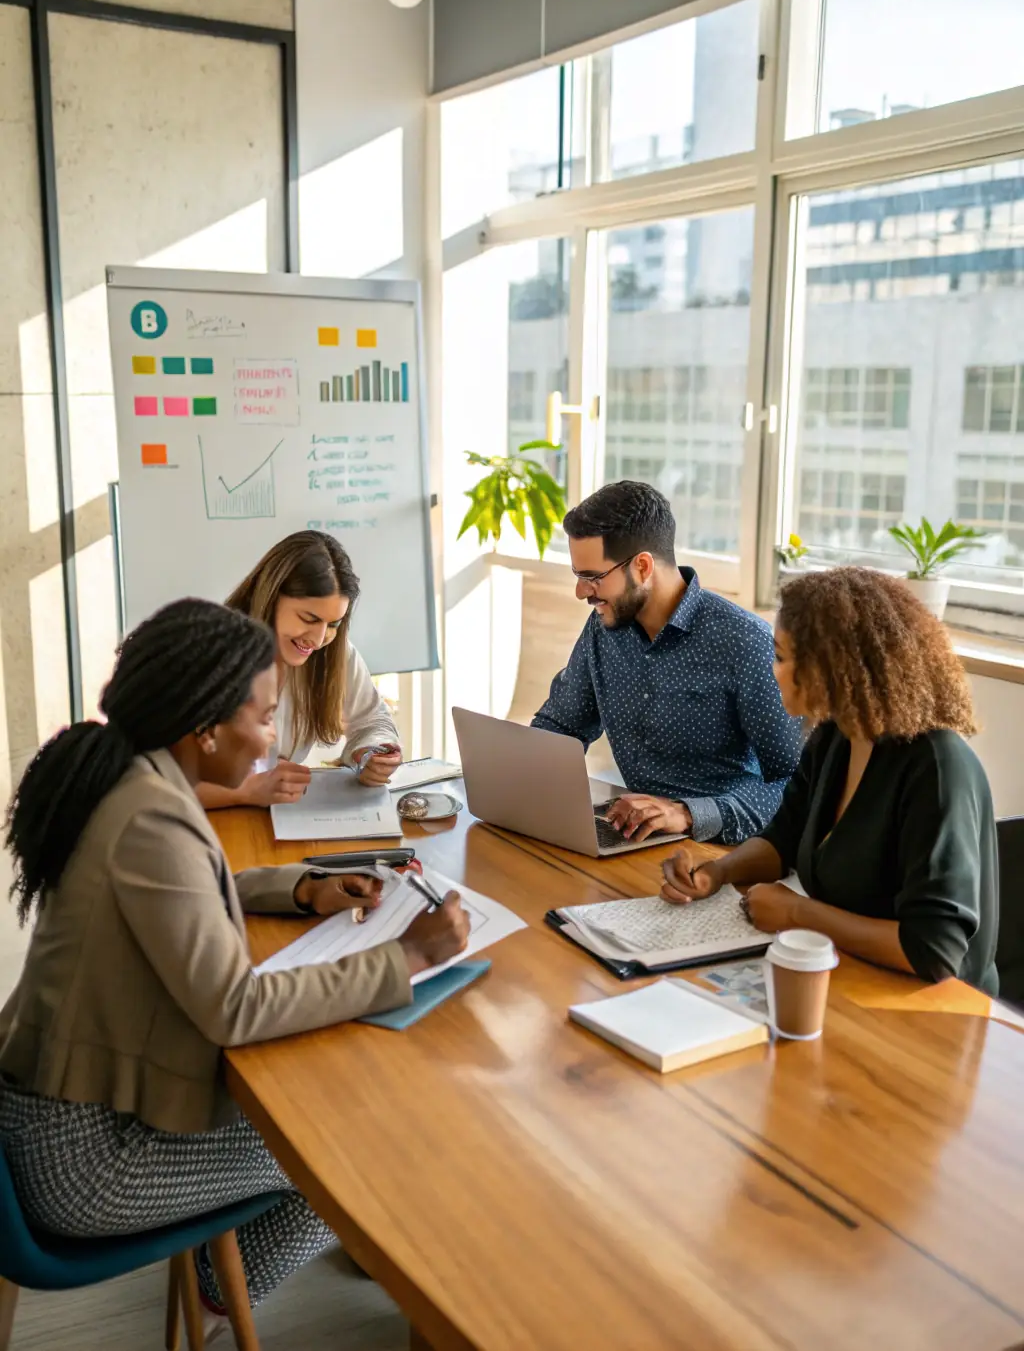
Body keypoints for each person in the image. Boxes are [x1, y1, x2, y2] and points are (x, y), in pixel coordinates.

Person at [0, 598, 469, 1329]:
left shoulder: (132, 776)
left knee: (322, 1116)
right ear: (205, 725)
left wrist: (301, 885)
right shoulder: (148, 815)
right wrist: (405, 956)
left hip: (58, 1113)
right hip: (86, 1162)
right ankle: (227, 1295)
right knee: (348, 1144)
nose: (267, 741)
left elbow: (182, 887)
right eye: (260, 716)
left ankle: (227, 1282)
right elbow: (236, 1008)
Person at [660, 566, 999, 992]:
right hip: (853, 978)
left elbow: (934, 950)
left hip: (935, 1015)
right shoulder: (838, 735)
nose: (772, 669)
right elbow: (783, 839)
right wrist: (718, 873)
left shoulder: (935, 766)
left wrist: (800, 914)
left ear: (832, 666)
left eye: (781, 656)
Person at [532, 481, 802, 845]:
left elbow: (796, 784)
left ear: (642, 566)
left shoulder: (744, 642)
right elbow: (563, 724)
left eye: (592, 577)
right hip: (636, 838)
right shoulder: (604, 628)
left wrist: (688, 813)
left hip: (722, 851)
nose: (581, 591)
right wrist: (518, 775)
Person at [198, 530, 402, 809]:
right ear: (270, 598)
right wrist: (244, 790)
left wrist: (368, 752)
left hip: (283, 818)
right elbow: (156, 779)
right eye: (309, 618)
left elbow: (372, 721)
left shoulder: (334, 653)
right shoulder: (210, 653)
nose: (318, 641)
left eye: (333, 624)